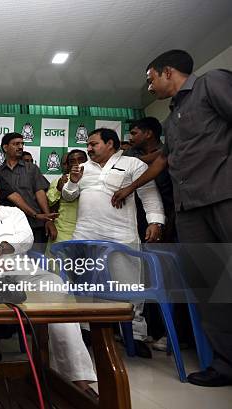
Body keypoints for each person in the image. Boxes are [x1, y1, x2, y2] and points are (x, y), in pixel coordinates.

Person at [111, 49, 232, 386]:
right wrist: (129, 187)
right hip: (189, 210)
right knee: (209, 288)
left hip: (224, 196)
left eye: (151, 79)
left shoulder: (212, 83)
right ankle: (225, 364)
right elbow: (163, 161)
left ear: (167, 72)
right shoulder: (172, 116)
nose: (149, 88)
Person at [0, 175, 98, 397]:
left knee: (55, 286)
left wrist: (2, 247)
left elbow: (26, 239)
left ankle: (76, 374)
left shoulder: (14, 212)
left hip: (19, 265)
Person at [62, 128, 164, 358]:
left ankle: (135, 335)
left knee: (129, 286)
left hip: (121, 235)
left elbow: (148, 194)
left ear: (110, 144)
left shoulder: (132, 164)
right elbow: (68, 197)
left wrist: (156, 221)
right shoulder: (82, 169)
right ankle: (87, 330)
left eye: (93, 144)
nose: (88, 148)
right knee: (85, 284)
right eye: (88, 144)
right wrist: (73, 182)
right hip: (85, 235)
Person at [0, 132, 57, 244]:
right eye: (16, 144)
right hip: (9, 226)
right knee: (11, 260)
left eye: (22, 144)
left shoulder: (32, 168)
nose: (20, 147)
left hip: (35, 224)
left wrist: (48, 219)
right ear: (5, 147)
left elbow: (40, 192)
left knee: (36, 260)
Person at [46, 150, 88, 244]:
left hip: (88, 232)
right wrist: (58, 189)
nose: (77, 164)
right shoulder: (59, 181)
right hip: (63, 232)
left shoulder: (94, 180)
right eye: (72, 161)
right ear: (68, 165)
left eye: (81, 160)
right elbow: (50, 202)